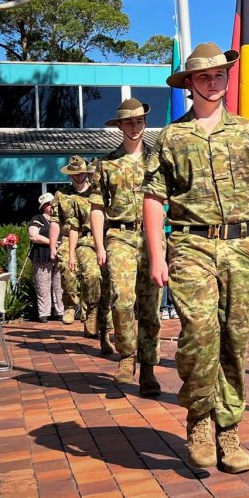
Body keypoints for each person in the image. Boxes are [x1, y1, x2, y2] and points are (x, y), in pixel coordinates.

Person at [143, 42, 249, 473]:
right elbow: (153, 199)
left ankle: (229, 429)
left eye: (220, 74)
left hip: (241, 247)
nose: (214, 81)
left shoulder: (246, 132)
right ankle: (199, 420)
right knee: (199, 334)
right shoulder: (170, 137)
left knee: (234, 341)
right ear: (189, 83)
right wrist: (155, 255)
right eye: (204, 76)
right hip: (191, 245)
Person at [91, 98, 162, 395]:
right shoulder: (106, 164)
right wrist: (98, 245)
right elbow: (97, 206)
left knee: (150, 307)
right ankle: (127, 356)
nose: (135, 127)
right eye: (129, 122)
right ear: (120, 125)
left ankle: (148, 369)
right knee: (121, 298)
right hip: (120, 236)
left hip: (152, 238)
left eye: (139, 121)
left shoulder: (158, 161)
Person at [53, 155, 112, 354]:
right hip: (82, 240)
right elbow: (66, 225)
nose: (80, 177)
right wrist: (57, 246)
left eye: (83, 173)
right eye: (74, 174)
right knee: (90, 275)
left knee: (109, 288)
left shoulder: (105, 193)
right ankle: (76, 306)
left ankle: (103, 331)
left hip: (110, 240)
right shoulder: (64, 195)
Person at [27, 193, 64, 323]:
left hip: (60, 256)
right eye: (48, 204)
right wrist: (51, 242)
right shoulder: (37, 219)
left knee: (59, 285)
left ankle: (61, 312)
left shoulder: (61, 218)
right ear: (43, 207)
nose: (51, 206)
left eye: (53, 203)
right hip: (41, 256)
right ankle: (44, 313)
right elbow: (33, 236)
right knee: (43, 286)